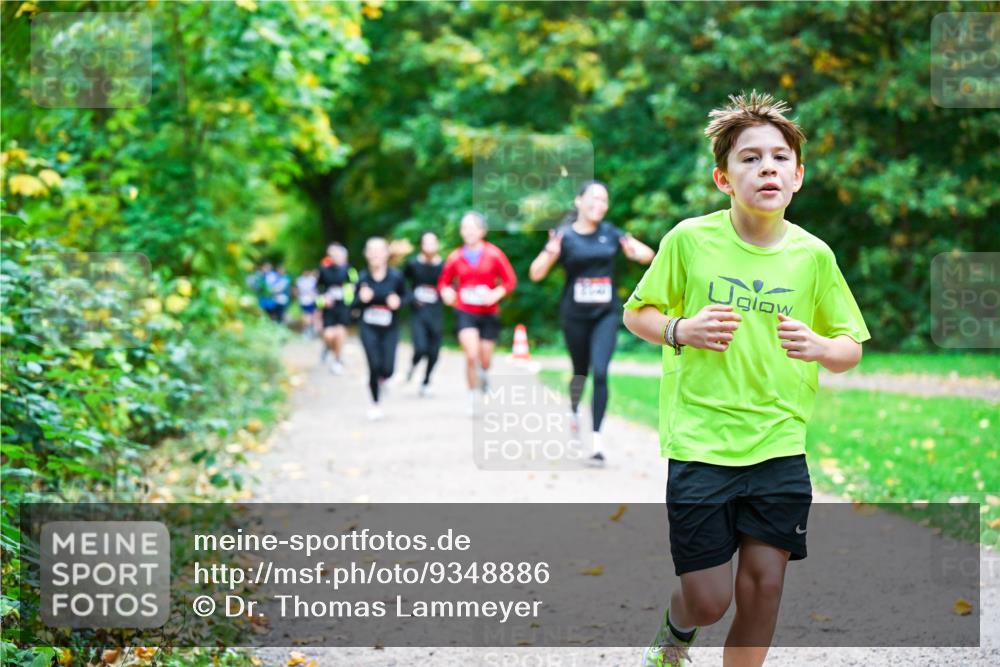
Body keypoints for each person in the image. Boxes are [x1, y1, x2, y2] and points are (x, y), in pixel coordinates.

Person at [622, 91, 870, 667]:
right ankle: (676, 633)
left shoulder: (814, 256)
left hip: (779, 441)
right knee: (709, 600)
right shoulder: (689, 240)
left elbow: (849, 348)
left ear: (798, 177)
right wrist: (681, 329)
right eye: (750, 158)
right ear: (723, 179)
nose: (767, 168)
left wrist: (820, 347)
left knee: (764, 587)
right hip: (701, 441)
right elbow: (638, 314)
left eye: (780, 158)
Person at [528, 180, 655, 467]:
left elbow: (648, 255)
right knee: (580, 372)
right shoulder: (563, 236)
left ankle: (596, 441)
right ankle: (574, 410)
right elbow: (535, 273)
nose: (600, 205)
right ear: (579, 201)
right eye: (594, 198)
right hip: (574, 315)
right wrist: (550, 253)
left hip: (605, 314)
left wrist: (636, 253)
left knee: (600, 372)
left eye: (604, 200)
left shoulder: (611, 233)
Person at [438, 211, 517, 414]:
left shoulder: (494, 254)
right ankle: (472, 397)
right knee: (471, 355)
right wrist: (446, 292)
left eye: (473, 228)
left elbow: (510, 281)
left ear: (482, 231)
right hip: (465, 311)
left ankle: (484, 373)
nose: (469, 232)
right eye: (465, 228)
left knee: (485, 358)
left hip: (489, 313)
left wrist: (496, 293)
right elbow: (443, 283)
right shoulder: (455, 257)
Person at [355, 237, 409, 421]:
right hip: (368, 327)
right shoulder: (362, 278)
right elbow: (351, 305)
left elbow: (407, 296)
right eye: (371, 250)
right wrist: (361, 299)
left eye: (379, 250)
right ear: (366, 254)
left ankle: (383, 379)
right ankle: (375, 404)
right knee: (373, 365)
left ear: (387, 254)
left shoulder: (396, 276)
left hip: (390, 328)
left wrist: (399, 301)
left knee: (388, 368)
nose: (375, 254)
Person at [404, 231, 445, 396]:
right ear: (421, 245)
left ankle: (426, 382)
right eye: (426, 242)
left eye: (433, 242)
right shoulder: (413, 264)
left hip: (436, 312)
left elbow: (451, 284)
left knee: (434, 351)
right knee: (420, 347)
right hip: (418, 312)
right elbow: (402, 284)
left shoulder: (443, 265)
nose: (430, 246)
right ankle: (413, 366)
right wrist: (412, 297)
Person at [317, 244, 356, 374]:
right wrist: (323, 299)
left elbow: (356, 284)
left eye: (338, 255)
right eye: (333, 255)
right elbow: (318, 288)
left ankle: (338, 360)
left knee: (340, 333)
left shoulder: (350, 269)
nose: (336, 257)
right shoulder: (324, 270)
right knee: (329, 335)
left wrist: (351, 292)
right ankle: (329, 347)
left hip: (343, 306)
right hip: (329, 307)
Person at [295, 269, 319, 337]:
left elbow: (297, 290)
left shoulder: (300, 280)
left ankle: (309, 330)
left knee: (308, 315)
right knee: (309, 315)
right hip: (308, 300)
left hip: (306, 300)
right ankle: (310, 329)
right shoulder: (312, 280)